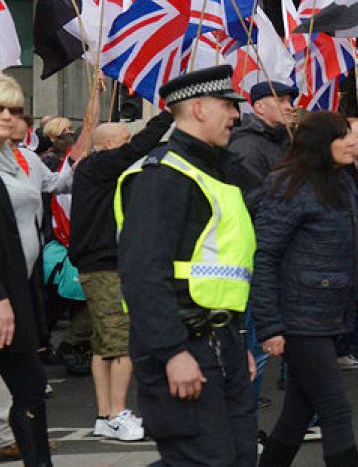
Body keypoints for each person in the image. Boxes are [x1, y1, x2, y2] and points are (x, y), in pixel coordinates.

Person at [115, 66, 254, 465]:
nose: (235, 115)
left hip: (218, 342)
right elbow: (143, 275)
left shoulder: (214, 172)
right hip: (182, 343)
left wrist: (235, 339)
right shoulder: (162, 176)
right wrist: (172, 352)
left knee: (238, 456)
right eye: (228, 106)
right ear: (197, 108)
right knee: (203, 460)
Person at [248, 112, 358, 466]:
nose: (351, 143)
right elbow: (264, 256)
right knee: (335, 409)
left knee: (297, 416)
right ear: (319, 144)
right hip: (299, 317)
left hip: (329, 313)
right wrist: (269, 326)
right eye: (342, 137)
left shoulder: (343, 180)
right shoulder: (287, 184)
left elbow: (355, 251)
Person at [69, 110, 174, 443]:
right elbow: (136, 150)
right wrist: (165, 118)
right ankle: (117, 413)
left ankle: (105, 415)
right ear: (109, 145)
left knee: (102, 345)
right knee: (122, 342)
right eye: (125, 140)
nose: (132, 146)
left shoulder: (97, 171)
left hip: (100, 262)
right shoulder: (98, 165)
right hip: (103, 264)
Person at [0, 76, 54, 467]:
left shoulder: (16, 159)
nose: (8, 117)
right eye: (0, 108)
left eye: (15, 110)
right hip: (5, 297)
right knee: (30, 386)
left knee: (31, 388)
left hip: (20, 289)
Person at [227, 81, 296, 201]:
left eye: (289, 101)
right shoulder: (246, 148)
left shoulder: (287, 140)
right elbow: (251, 201)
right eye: (280, 100)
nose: (289, 107)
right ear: (259, 107)